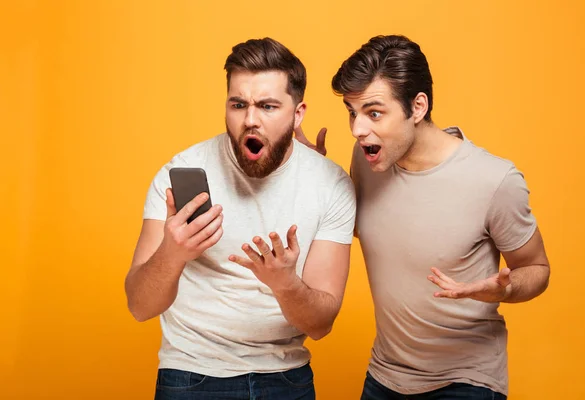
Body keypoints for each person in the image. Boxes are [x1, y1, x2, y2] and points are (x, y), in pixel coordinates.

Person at [296, 34, 550, 399]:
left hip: (466, 380)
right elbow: (358, 225)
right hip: (385, 376)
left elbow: (537, 270)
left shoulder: (494, 180)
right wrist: (316, 174)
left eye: (374, 112)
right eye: (352, 113)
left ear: (417, 107)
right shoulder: (368, 160)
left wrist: (505, 288)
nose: (357, 129)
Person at [125, 37, 356, 400]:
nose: (250, 120)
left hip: (286, 380)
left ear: (297, 114)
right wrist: (172, 253)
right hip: (190, 375)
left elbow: (321, 325)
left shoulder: (331, 185)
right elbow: (139, 307)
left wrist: (284, 283)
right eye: (238, 104)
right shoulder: (181, 171)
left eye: (267, 106)